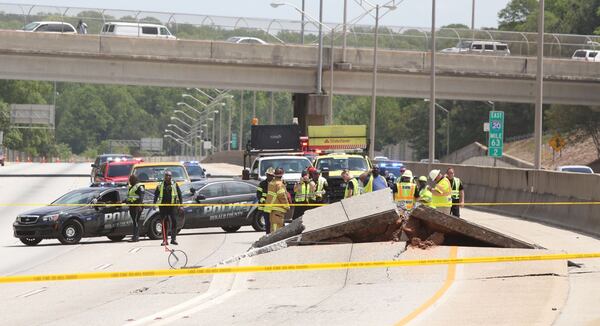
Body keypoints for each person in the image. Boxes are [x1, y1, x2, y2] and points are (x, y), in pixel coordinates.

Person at [153, 170, 182, 245]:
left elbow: (179, 194)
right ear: (164, 176)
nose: (168, 177)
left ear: (171, 177)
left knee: (174, 222)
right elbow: (156, 194)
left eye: (169, 175)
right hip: (163, 207)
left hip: (173, 206)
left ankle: (173, 239)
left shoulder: (174, 184)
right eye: (167, 175)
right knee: (164, 223)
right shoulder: (160, 185)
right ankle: (165, 240)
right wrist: (154, 204)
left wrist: (181, 205)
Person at [266, 168, 290, 233]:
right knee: (277, 229)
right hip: (278, 210)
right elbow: (282, 196)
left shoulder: (271, 183)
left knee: (273, 227)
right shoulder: (279, 184)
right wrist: (287, 206)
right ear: (282, 175)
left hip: (272, 209)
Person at [126, 175, 145, 242]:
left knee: (136, 221)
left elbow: (141, 196)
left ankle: (136, 237)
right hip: (132, 206)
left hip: (137, 206)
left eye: (130, 180)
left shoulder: (139, 186)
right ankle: (135, 236)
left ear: (134, 180)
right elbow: (130, 197)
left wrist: (139, 205)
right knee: (134, 221)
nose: (130, 181)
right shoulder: (132, 187)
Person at [257, 167, 275, 234]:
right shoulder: (262, 184)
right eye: (269, 175)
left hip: (274, 206)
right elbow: (258, 193)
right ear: (266, 175)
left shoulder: (275, 184)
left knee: (274, 223)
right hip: (265, 207)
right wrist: (262, 199)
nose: (270, 177)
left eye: (272, 175)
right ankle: (268, 235)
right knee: (267, 222)